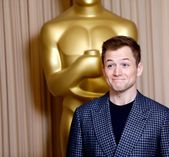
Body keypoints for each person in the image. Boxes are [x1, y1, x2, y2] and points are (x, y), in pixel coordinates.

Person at [40, 0, 137, 155]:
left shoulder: (124, 27)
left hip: (116, 113)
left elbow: (129, 80)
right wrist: (81, 68)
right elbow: (54, 87)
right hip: (73, 113)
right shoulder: (53, 29)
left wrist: (102, 67)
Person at [67, 36, 169, 156]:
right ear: (103, 71)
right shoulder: (83, 115)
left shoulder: (161, 116)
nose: (117, 72)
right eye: (110, 65)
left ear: (138, 69)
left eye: (125, 64)